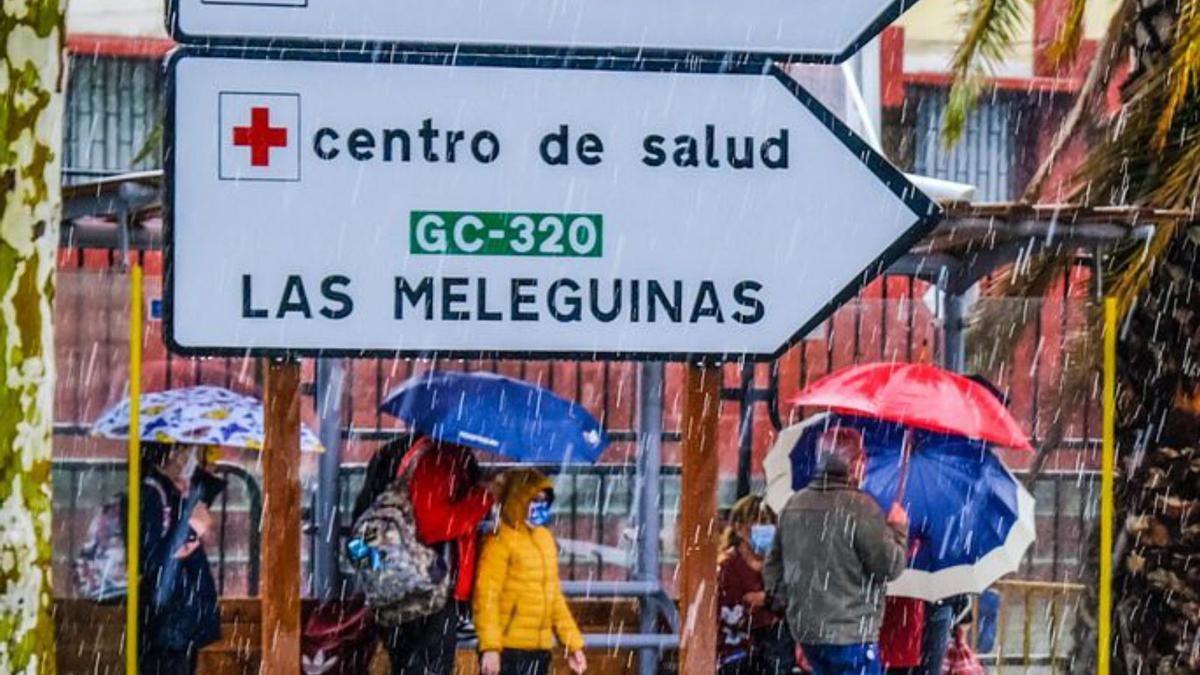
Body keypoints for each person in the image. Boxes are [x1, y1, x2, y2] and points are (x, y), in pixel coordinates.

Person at [765, 426, 909, 675]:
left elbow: (773, 566)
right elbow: (890, 567)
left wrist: (790, 605)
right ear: (856, 463)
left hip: (808, 633)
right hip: (852, 633)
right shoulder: (861, 508)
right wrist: (898, 529)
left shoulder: (794, 505)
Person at [354, 435, 497, 675]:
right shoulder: (439, 459)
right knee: (429, 668)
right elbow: (434, 524)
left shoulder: (405, 452)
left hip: (396, 584)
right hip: (429, 589)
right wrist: (484, 496)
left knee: (408, 666)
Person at [473, 468, 586, 675]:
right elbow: (486, 596)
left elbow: (554, 598)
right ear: (520, 499)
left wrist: (572, 643)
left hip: (539, 650)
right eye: (535, 499)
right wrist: (490, 648)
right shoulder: (500, 541)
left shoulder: (544, 539)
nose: (540, 505)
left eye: (544, 500)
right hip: (508, 650)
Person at [139, 442, 221, 675]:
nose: (187, 459)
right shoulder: (152, 493)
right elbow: (156, 558)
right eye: (184, 451)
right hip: (168, 616)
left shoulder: (173, 490)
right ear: (168, 454)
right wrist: (191, 525)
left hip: (176, 615)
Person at [717, 495, 796, 675]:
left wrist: (768, 600)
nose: (765, 529)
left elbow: (794, 599)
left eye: (770, 524)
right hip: (736, 655)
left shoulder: (780, 564)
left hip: (777, 655)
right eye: (758, 523)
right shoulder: (727, 568)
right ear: (738, 527)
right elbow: (731, 612)